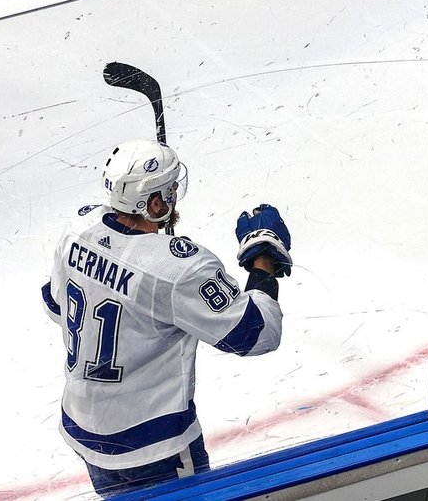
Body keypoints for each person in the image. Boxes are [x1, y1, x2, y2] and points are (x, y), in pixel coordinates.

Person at [40, 139, 294, 497]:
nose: (176, 195)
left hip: (84, 430)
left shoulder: (76, 230)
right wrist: (262, 255)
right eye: (171, 189)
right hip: (154, 443)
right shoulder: (179, 269)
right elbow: (258, 334)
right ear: (155, 203)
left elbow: (56, 304)